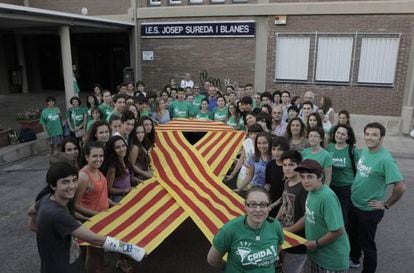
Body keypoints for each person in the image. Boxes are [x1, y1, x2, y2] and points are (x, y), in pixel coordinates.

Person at [28, 161, 145, 273]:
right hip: (63, 268)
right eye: (65, 182)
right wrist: (132, 249)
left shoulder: (47, 198)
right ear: (53, 185)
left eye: (74, 180)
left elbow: (30, 212)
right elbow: (95, 239)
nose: (72, 186)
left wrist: (40, 229)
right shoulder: (57, 214)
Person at [348, 122, 406, 272]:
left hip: (369, 211)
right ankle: (354, 259)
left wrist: (386, 204)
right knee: (353, 235)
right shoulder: (366, 150)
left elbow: (401, 187)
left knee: (367, 244)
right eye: (367, 134)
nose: (370, 138)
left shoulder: (385, 159)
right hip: (354, 203)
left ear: (382, 138)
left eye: (374, 135)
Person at [207, 186, 284, 273]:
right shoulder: (229, 230)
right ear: (245, 206)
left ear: (269, 206)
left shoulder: (275, 226)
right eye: (252, 204)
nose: (258, 210)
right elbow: (213, 260)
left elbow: (278, 248)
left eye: (263, 204)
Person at [296, 159, 350, 273]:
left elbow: (338, 230)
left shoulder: (327, 198)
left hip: (331, 260)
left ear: (320, 177)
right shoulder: (311, 191)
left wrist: (316, 243)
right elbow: (308, 215)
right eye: (302, 177)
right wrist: (289, 230)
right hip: (316, 255)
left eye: (310, 177)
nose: (305, 181)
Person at [74, 141, 114, 273]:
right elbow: (75, 205)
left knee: (100, 249)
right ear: (86, 157)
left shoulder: (97, 170)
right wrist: (95, 215)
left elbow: (101, 193)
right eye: (95, 156)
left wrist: (113, 204)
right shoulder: (83, 177)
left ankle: (101, 270)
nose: (99, 159)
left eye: (101, 156)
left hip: (102, 218)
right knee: (92, 253)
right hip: (91, 221)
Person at [277, 150, 308, 273]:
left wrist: (288, 231)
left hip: (298, 239)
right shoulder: (287, 182)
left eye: (291, 165)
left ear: (299, 165)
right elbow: (284, 203)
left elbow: (307, 217)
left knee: (292, 269)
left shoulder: (304, 187)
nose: (287, 169)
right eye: (284, 165)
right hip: (285, 233)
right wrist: (275, 222)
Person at [326, 124, 359, 228]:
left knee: (343, 216)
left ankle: (343, 239)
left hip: (346, 188)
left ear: (348, 137)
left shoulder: (352, 150)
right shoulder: (329, 147)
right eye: (338, 133)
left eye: (343, 134)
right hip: (330, 186)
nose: (339, 136)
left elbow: (359, 171)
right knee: (331, 214)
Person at [265, 136, 289, 217]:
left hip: (285, 202)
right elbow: (268, 184)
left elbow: (287, 191)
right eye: (274, 149)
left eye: (280, 149)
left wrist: (273, 205)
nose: (276, 152)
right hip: (271, 200)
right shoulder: (270, 164)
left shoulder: (288, 167)